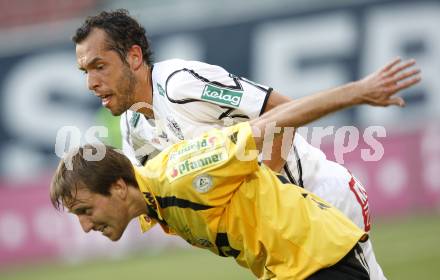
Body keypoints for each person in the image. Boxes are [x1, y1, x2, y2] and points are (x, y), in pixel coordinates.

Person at [72, 9, 420, 279]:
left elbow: (280, 111)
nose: (91, 82)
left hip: (317, 199)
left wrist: (270, 189)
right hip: (279, 239)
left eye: (99, 66)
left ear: (134, 57)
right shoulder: (134, 129)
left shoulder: (179, 85)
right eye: (85, 71)